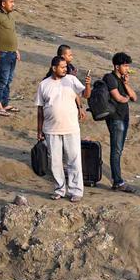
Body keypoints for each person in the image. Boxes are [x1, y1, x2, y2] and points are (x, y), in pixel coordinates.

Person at [36, 56, 92, 203]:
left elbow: (86, 95)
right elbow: (40, 110)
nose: (65, 69)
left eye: (66, 67)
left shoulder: (71, 80)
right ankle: (59, 190)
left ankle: (76, 191)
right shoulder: (43, 84)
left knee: (74, 160)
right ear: (54, 68)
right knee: (55, 162)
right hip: (51, 129)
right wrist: (39, 130)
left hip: (71, 128)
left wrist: (87, 85)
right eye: (62, 67)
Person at [103, 52, 137, 193]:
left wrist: (126, 84)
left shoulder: (122, 80)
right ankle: (117, 181)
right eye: (125, 66)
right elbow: (119, 98)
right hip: (115, 118)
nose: (127, 68)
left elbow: (134, 97)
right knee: (116, 150)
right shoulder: (109, 78)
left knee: (119, 149)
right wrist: (126, 97)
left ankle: (117, 180)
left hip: (124, 117)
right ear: (117, 66)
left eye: (128, 66)